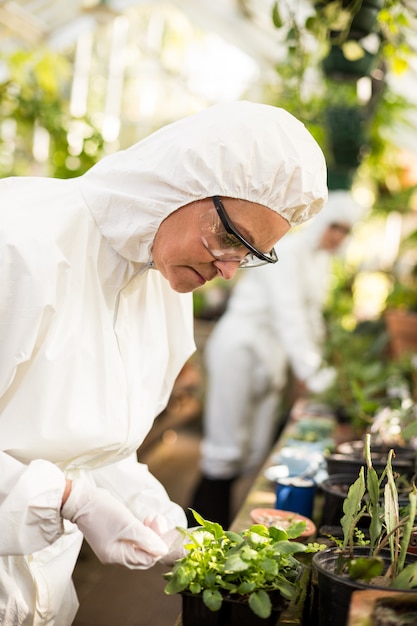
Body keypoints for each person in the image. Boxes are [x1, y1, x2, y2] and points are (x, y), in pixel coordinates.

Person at [0, 100, 327, 625]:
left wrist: (147, 505)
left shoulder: (160, 278)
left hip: (42, 588)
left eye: (249, 255)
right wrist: (64, 499)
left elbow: (94, 447)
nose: (228, 271)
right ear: (179, 183)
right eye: (229, 239)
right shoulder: (18, 242)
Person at [190, 189, 364, 528]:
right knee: (223, 450)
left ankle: (224, 527)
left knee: (253, 452)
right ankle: (198, 533)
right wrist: (316, 377)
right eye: (335, 227)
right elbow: (290, 317)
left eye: (346, 231)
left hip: (270, 357)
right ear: (323, 223)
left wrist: (326, 366)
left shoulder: (320, 263)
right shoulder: (287, 252)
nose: (338, 236)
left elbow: (311, 319)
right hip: (240, 348)